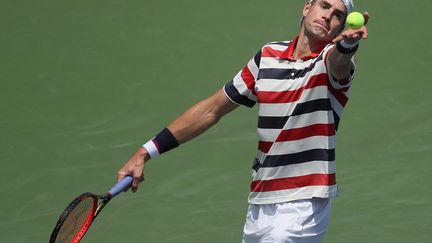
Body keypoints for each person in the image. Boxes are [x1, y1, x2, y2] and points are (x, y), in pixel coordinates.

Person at [117, 0, 369, 242]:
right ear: (307, 7)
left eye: (338, 15)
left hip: (303, 204)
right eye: (324, 6)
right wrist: (144, 153)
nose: (328, 15)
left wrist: (347, 46)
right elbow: (211, 109)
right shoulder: (268, 56)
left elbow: (340, 62)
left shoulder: (329, 62)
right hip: (260, 204)